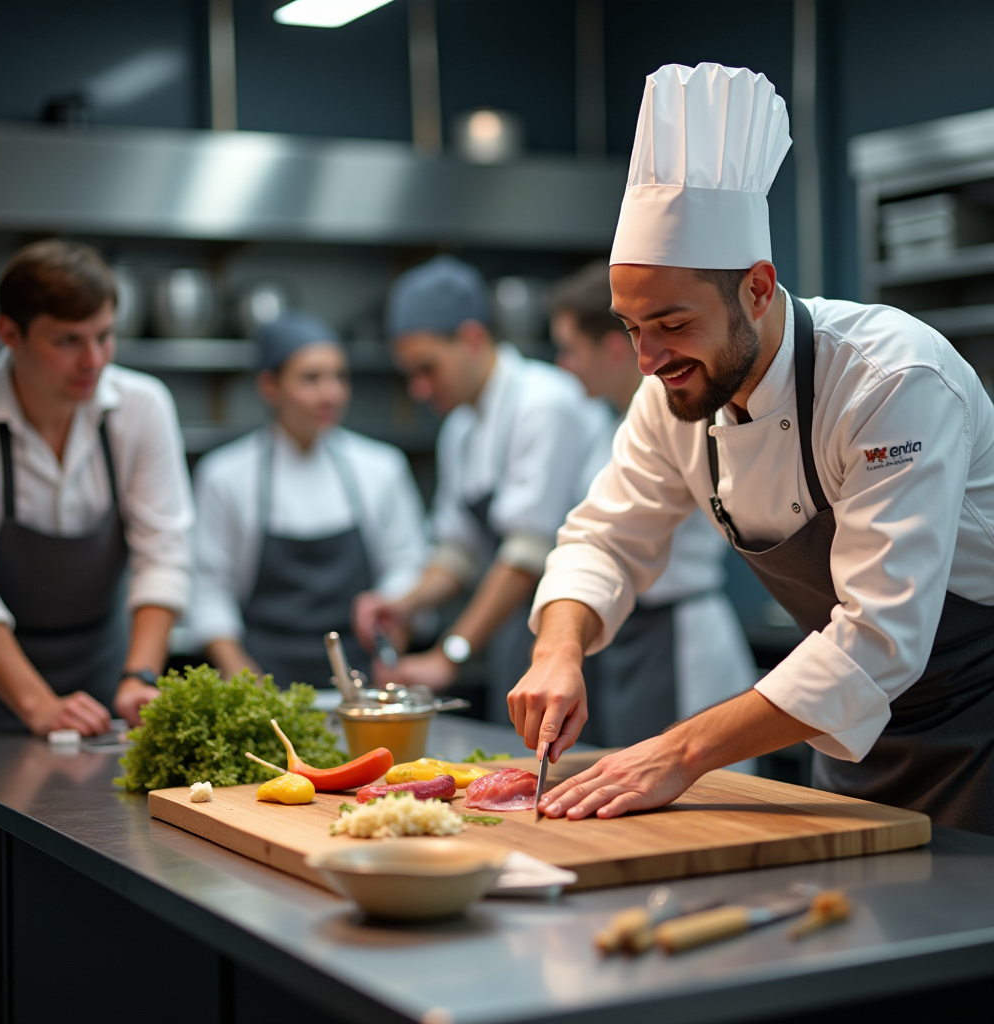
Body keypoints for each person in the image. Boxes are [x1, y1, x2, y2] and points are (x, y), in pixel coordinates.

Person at [511, 62, 994, 836]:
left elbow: (879, 634)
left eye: (671, 324)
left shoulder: (890, 378)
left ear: (759, 289)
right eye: (631, 330)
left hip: (977, 722)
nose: (648, 360)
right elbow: (605, 536)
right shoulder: (671, 396)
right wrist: (558, 650)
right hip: (840, 733)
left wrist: (681, 750)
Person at [353, 255, 602, 721]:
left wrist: (451, 654)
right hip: (518, 632)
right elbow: (458, 551)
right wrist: (404, 604)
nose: (420, 390)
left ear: (471, 338)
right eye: (411, 375)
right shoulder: (461, 429)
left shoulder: (545, 403)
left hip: (588, 637)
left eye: (428, 368)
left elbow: (526, 555)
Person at [0, 240, 192, 735]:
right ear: (10, 333)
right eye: (68, 341)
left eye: (105, 336)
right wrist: (38, 705)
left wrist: (139, 676)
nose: (93, 360)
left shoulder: (142, 407)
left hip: (106, 678)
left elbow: (163, 555)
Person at [550, 261, 756, 749]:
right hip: (626, 634)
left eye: (570, 349)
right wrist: (556, 649)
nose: (565, 364)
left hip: (679, 637)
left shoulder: (691, 411)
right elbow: (603, 538)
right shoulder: (622, 421)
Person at [190, 312, 428, 688]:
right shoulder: (226, 476)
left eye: (339, 377)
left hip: (359, 683)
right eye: (311, 379)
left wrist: (388, 652)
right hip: (265, 683)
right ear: (270, 386)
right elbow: (209, 589)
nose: (331, 393)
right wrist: (243, 677)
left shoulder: (381, 468)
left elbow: (405, 569)